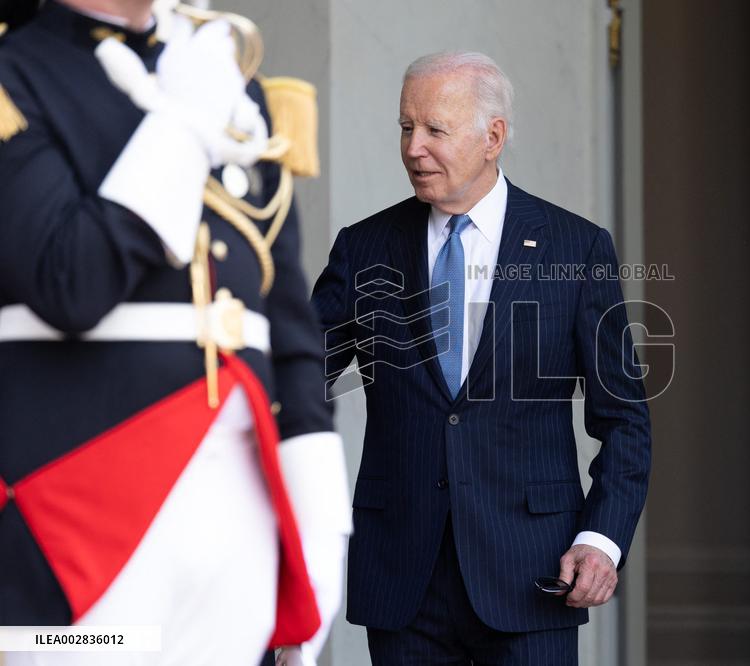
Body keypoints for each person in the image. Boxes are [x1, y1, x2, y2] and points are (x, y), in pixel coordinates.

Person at [0, 1, 350, 665]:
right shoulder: (15, 75)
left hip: (236, 514)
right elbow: (70, 281)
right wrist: (181, 126)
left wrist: (319, 516)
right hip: (80, 523)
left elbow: (286, 318)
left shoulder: (225, 74)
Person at [312, 51, 652, 665]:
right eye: (405, 127)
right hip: (400, 579)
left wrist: (602, 540)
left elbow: (625, 419)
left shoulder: (575, 248)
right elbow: (299, 383)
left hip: (531, 576)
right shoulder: (363, 249)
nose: (414, 148)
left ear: (492, 137)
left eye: (435, 130)